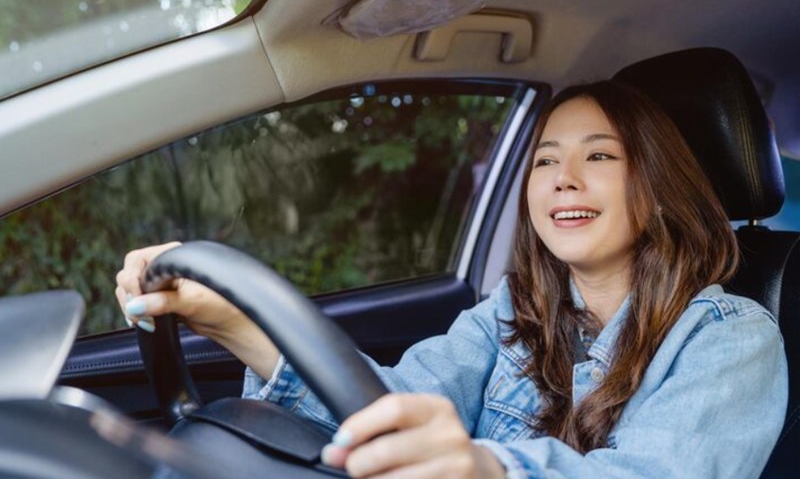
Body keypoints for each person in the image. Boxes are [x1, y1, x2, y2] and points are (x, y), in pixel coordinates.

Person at [116, 81, 788, 478]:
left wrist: (488, 467)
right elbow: (383, 402)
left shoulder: (732, 337)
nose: (562, 178)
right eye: (545, 160)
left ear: (659, 187)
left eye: (601, 155)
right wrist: (236, 323)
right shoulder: (510, 314)